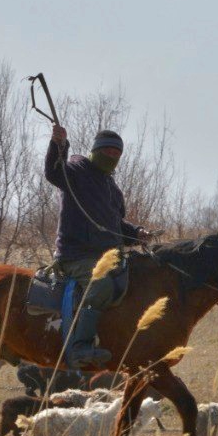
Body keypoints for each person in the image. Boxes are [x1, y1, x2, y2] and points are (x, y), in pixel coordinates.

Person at [44, 124, 154, 368]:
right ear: (96, 151)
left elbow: (116, 225)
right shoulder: (76, 170)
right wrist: (58, 145)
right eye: (107, 152)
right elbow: (54, 173)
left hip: (108, 256)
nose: (112, 157)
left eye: (117, 154)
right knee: (102, 284)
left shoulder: (112, 189)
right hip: (76, 256)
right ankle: (80, 347)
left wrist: (136, 233)